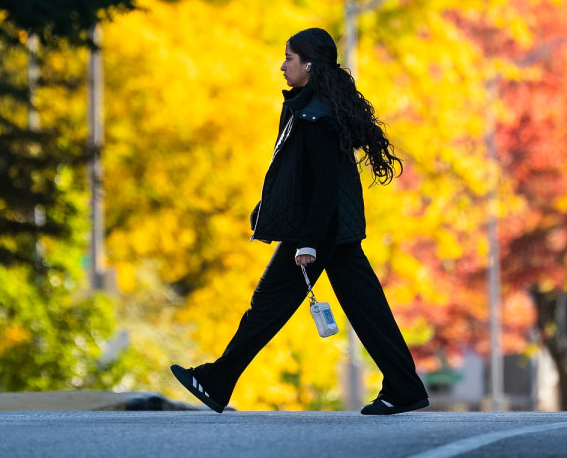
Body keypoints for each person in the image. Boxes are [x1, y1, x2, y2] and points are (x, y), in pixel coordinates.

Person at [171, 27, 429, 415]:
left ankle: (217, 379)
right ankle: (404, 386)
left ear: (308, 64)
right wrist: (269, 207)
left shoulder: (315, 113)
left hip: (319, 229)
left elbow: (324, 183)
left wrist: (308, 241)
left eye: (289, 59)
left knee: (269, 305)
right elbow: (300, 173)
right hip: (327, 228)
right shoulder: (310, 105)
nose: (282, 66)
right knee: (365, 308)